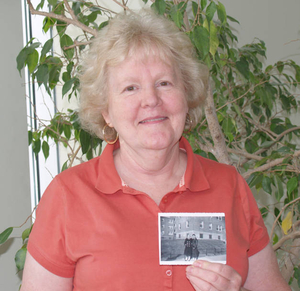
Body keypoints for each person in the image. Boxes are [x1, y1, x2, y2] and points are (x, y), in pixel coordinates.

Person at [21, 9, 290, 291]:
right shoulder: (68, 196)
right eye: (130, 88)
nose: (151, 99)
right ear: (106, 112)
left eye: (164, 83)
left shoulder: (229, 187)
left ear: (186, 96)